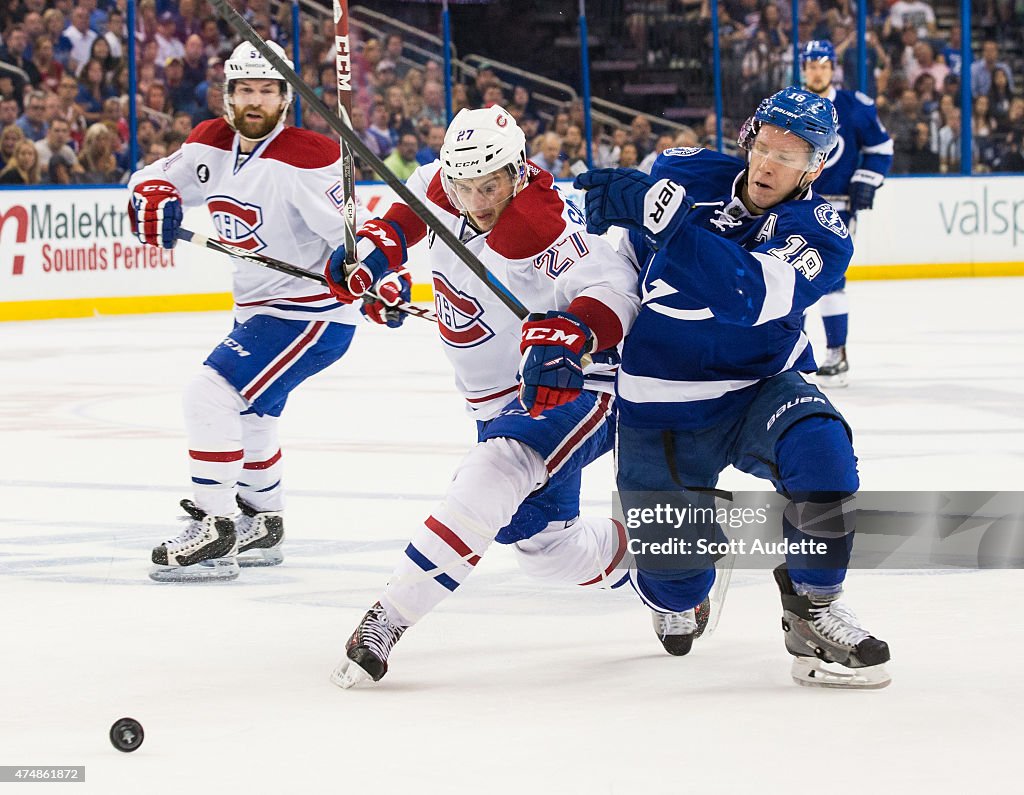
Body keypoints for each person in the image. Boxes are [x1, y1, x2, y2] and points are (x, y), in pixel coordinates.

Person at [574, 86, 892, 689]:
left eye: (792, 157)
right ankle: (677, 581)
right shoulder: (681, 172)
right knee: (676, 582)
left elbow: (749, 296)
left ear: (817, 166)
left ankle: (814, 608)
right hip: (659, 407)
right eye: (765, 147)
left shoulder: (822, 230)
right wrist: (581, 326)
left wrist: (667, 226)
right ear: (748, 140)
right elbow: (605, 257)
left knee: (824, 458)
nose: (771, 165)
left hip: (758, 389)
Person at [323, 106, 641, 687]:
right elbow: (399, 224)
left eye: (489, 186)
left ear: (518, 170)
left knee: (494, 469)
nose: (476, 200)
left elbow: (612, 288)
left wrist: (573, 332)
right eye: (462, 186)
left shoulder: (544, 225)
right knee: (545, 549)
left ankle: (387, 619)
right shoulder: (444, 184)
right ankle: (663, 565)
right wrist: (371, 268)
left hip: (575, 384)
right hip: (497, 402)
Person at [127, 40, 362, 582]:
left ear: (286, 98)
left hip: (310, 315)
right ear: (227, 95)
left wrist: (373, 274)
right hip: (257, 311)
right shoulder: (209, 143)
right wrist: (154, 197)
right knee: (252, 412)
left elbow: (355, 239)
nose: (255, 101)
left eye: (267, 90)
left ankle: (214, 524)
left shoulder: (308, 156)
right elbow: (149, 180)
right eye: (245, 90)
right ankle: (262, 518)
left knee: (209, 392)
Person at [800, 40, 893, 387]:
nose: (817, 70)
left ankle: (836, 354)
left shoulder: (855, 107)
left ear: (833, 67)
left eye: (823, 64)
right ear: (803, 68)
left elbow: (881, 148)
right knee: (787, 279)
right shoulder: (789, 105)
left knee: (829, 282)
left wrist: (866, 179)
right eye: (811, 65)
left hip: (836, 207)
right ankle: (793, 355)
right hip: (792, 205)